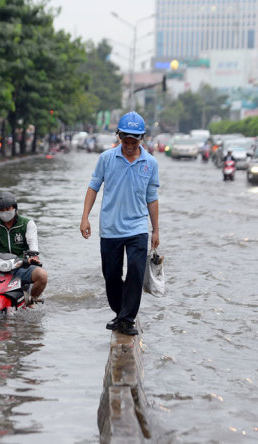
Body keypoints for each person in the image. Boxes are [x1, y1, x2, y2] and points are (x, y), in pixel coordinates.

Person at [79, 111, 160, 336]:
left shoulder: (150, 163)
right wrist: (85, 217)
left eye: (135, 140)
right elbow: (93, 187)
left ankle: (127, 318)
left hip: (137, 228)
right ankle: (119, 312)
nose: (130, 145)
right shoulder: (106, 158)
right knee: (111, 275)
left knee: (135, 271)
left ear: (141, 139)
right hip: (110, 228)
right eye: (126, 140)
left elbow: (152, 198)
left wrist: (156, 230)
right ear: (119, 137)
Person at [0, 191, 48, 306]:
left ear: (15, 208)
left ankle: (31, 300)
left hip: (20, 266)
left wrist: (33, 256)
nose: (5, 212)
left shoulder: (27, 223)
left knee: (42, 276)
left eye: (8, 209)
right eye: (1, 210)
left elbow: (32, 242)